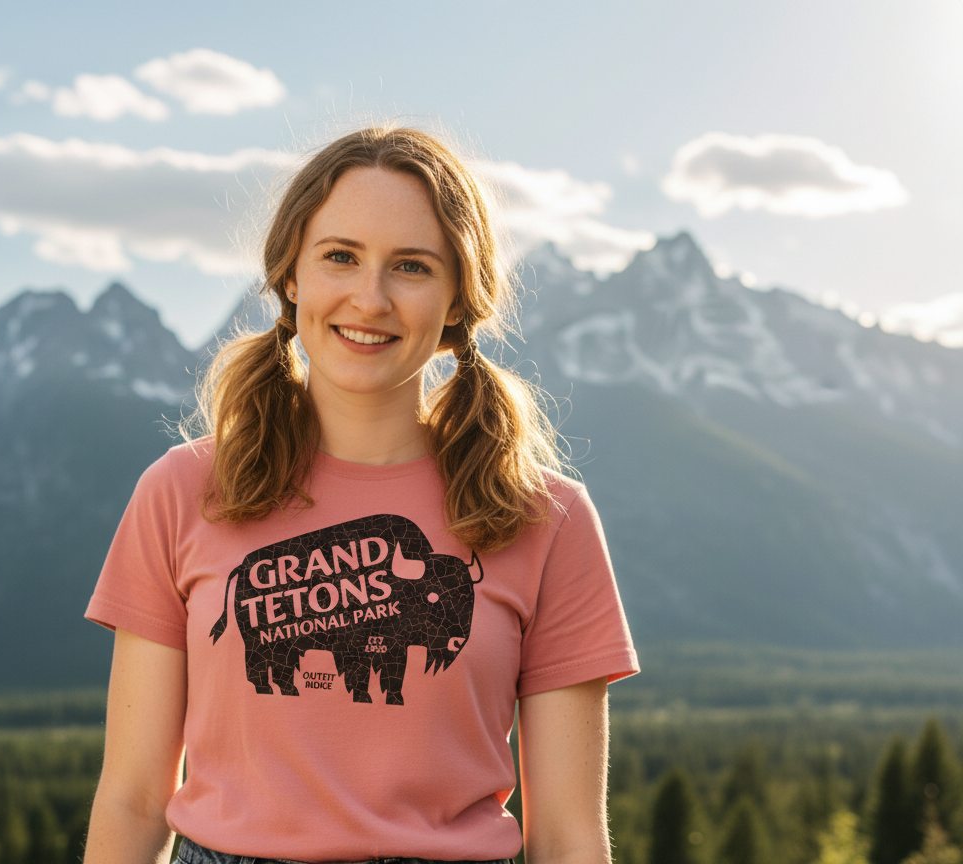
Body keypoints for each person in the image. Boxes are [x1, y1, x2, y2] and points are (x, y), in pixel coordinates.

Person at [82, 125, 638, 864]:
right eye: (340, 257)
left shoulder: (545, 517)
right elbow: (132, 801)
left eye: (411, 266)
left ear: (456, 301)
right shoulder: (182, 492)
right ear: (291, 277)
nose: (368, 298)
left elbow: (569, 838)